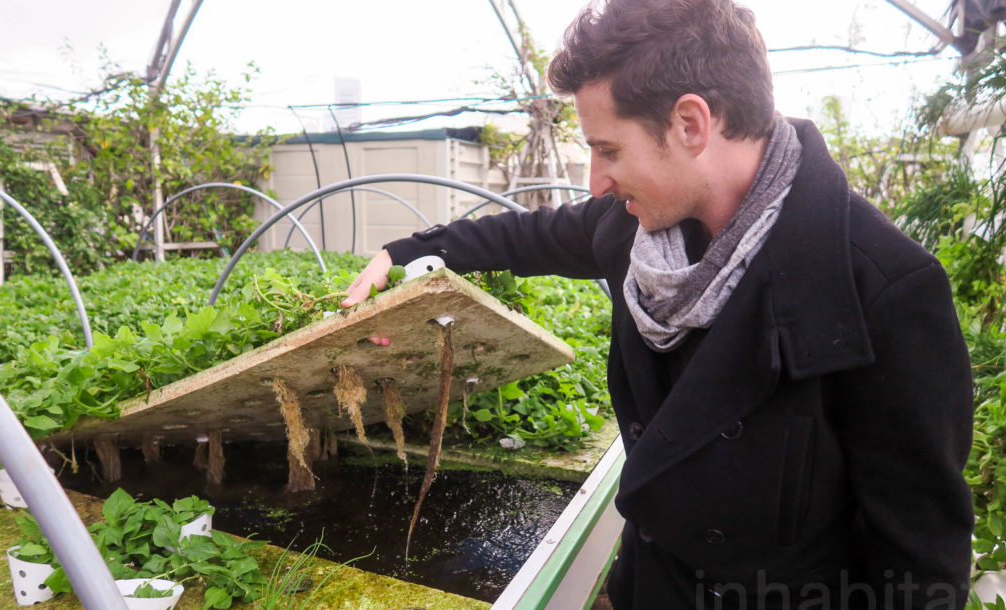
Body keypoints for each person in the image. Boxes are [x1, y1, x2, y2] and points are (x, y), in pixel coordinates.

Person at [341, 0, 975, 607]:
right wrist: (406, 253)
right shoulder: (632, 230)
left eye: (608, 149)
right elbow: (527, 234)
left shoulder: (883, 288)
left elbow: (920, 557)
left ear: (692, 123)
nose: (596, 181)